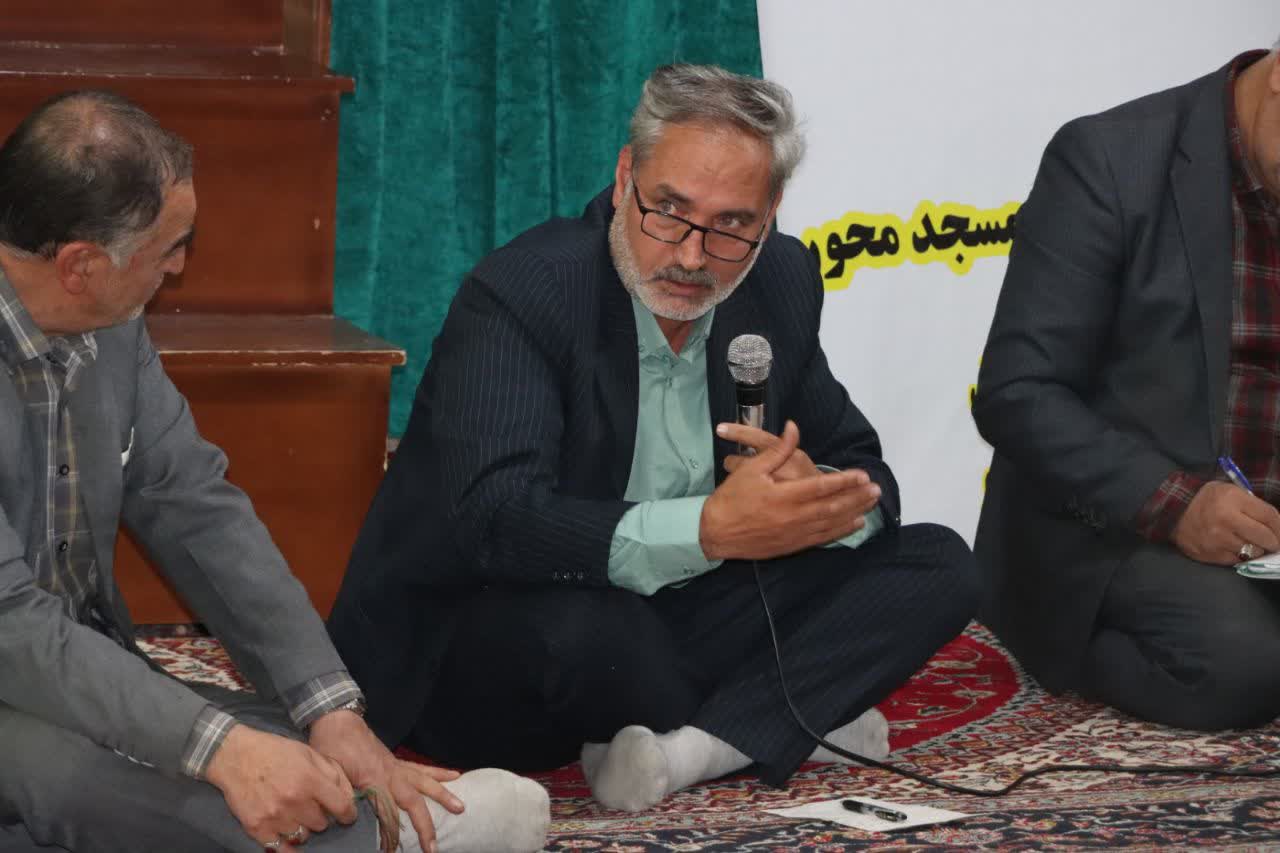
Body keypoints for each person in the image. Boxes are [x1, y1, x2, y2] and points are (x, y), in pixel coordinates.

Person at [330, 63, 978, 812]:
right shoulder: (527, 291)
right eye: (669, 211)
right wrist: (709, 529)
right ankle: (790, 713)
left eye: (731, 225)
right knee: (596, 638)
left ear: (769, 217)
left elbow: (867, 474)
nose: (692, 257)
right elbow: (498, 521)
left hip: (683, 613)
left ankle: (694, 750)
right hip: (504, 625)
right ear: (624, 178)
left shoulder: (779, 280)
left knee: (941, 564)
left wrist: (819, 504)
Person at [0, 91, 548, 853]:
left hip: (76, 671)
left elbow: (194, 503)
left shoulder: (113, 327)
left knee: (276, 739)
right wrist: (218, 749)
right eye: (169, 248)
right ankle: (384, 841)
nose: (180, 265)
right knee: (76, 773)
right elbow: (13, 628)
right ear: (81, 266)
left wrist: (327, 708)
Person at [973, 38, 1280, 730]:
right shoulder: (1110, 160)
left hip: (1268, 532)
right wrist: (1177, 504)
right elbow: (1018, 391)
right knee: (1245, 666)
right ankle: (1058, 637)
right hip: (1123, 527)